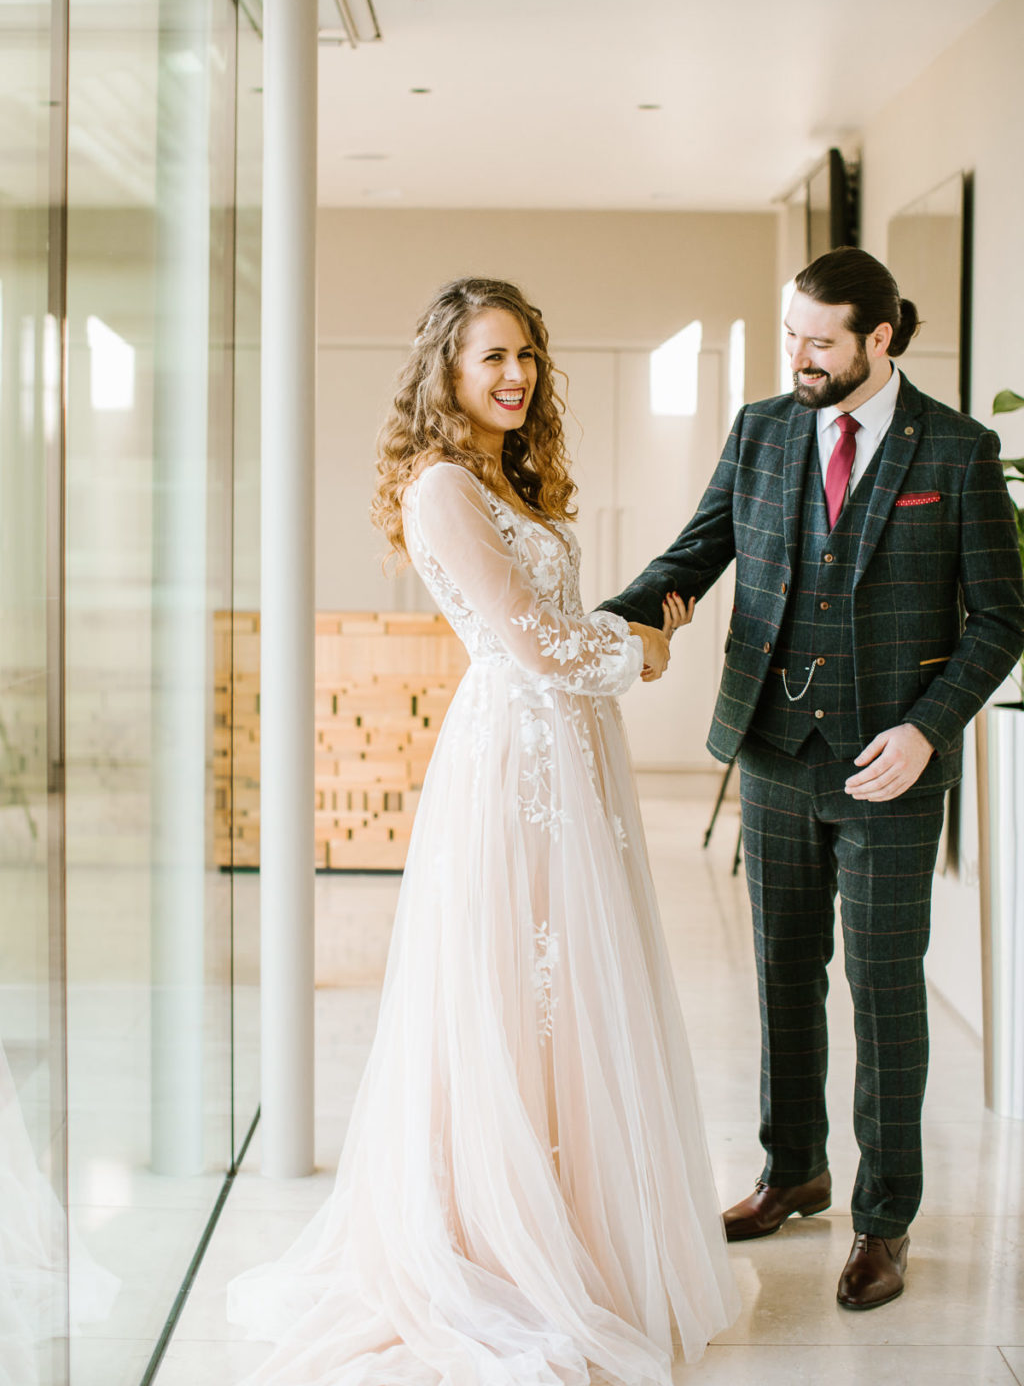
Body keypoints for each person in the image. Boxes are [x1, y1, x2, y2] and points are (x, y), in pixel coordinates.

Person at [226, 277, 739, 1384]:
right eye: (490, 358)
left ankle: (579, 1226)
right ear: (446, 373)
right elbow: (534, 647)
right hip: (516, 759)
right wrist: (642, 652)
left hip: (569, 752)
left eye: (524, 357)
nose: (515, 376)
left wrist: (612, 641)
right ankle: (499, 1242)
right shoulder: (442, 487)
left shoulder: (507, 476)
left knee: (574, 997)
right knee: (517, 986)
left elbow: (554, 628)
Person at [599, 246, 1024, 1312]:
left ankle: (884, 1219)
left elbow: (1004, 619)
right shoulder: (760, 432)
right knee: (782, 974)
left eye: (819, 340)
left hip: (892, 765)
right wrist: (593, 627)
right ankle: (792, 1171)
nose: (799, 356)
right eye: (790, 334)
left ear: (880, 339)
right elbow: (691, 558)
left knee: (882, 995)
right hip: (775, 750)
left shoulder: (959, 452)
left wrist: (929, 731)